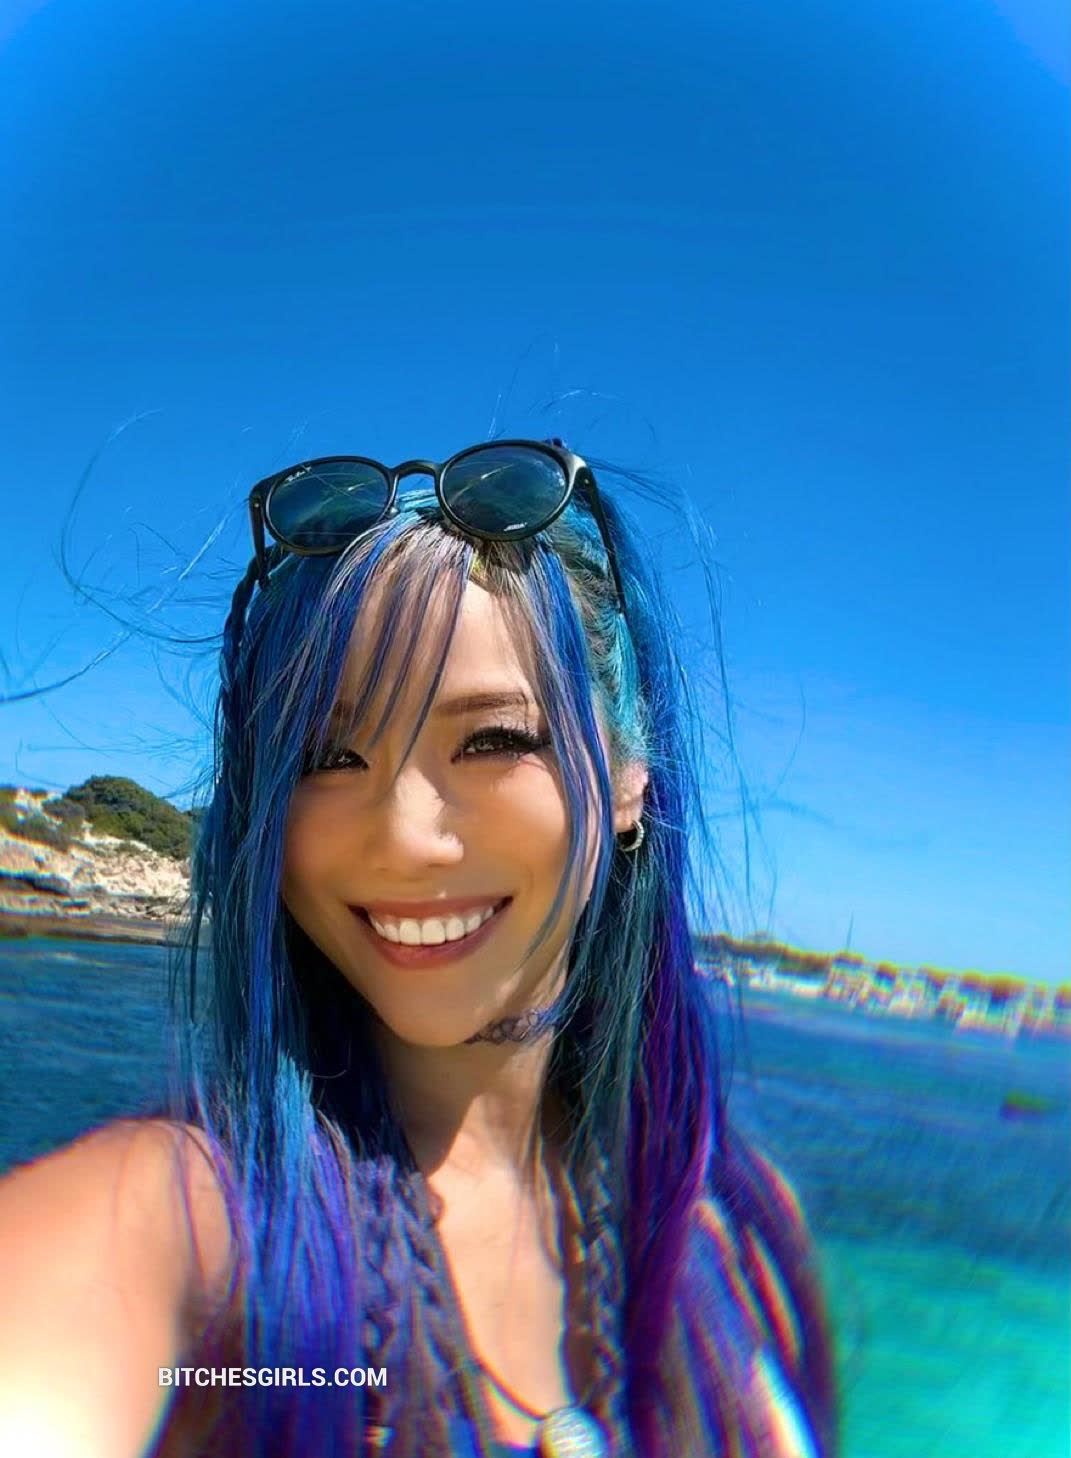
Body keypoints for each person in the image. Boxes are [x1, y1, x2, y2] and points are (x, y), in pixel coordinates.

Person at [0, 439, 838, 1457]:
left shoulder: (737, 1232)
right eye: (325, 756)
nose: (403, 840)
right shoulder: (187, 1235)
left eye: (493, 740)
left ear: (629, 779)